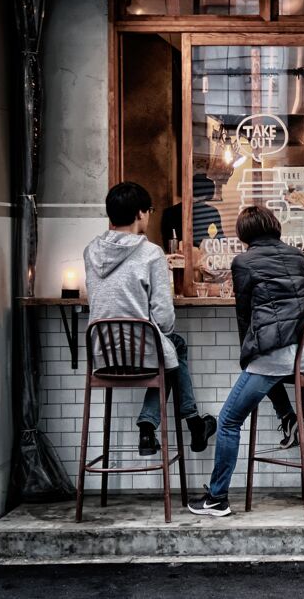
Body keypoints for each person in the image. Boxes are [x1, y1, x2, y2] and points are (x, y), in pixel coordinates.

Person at [189, 205, 304, 517]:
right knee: (262, 371)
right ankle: (288, 418)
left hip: (274, 355)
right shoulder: (297, 257)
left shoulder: (243, 262)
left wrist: (246, 351)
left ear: (244, 234)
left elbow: (244, 315)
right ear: (274, 226)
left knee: (230, 420)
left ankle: (217, 498)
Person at [84, 182, 217, 456]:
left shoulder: (90, 251)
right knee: (172, 349)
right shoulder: (151, 254)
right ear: (141, 214)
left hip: (100, 354)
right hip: (141, 354)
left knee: (168, 352)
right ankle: (179, 422)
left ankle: (161, 426)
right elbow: (165, 320)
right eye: (149, 211)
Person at [160, 173, 225, 248]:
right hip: (196, 256)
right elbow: (220, 240)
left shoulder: (169, 213)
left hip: (185, 256)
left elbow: (220, 239)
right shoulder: (212, 212)